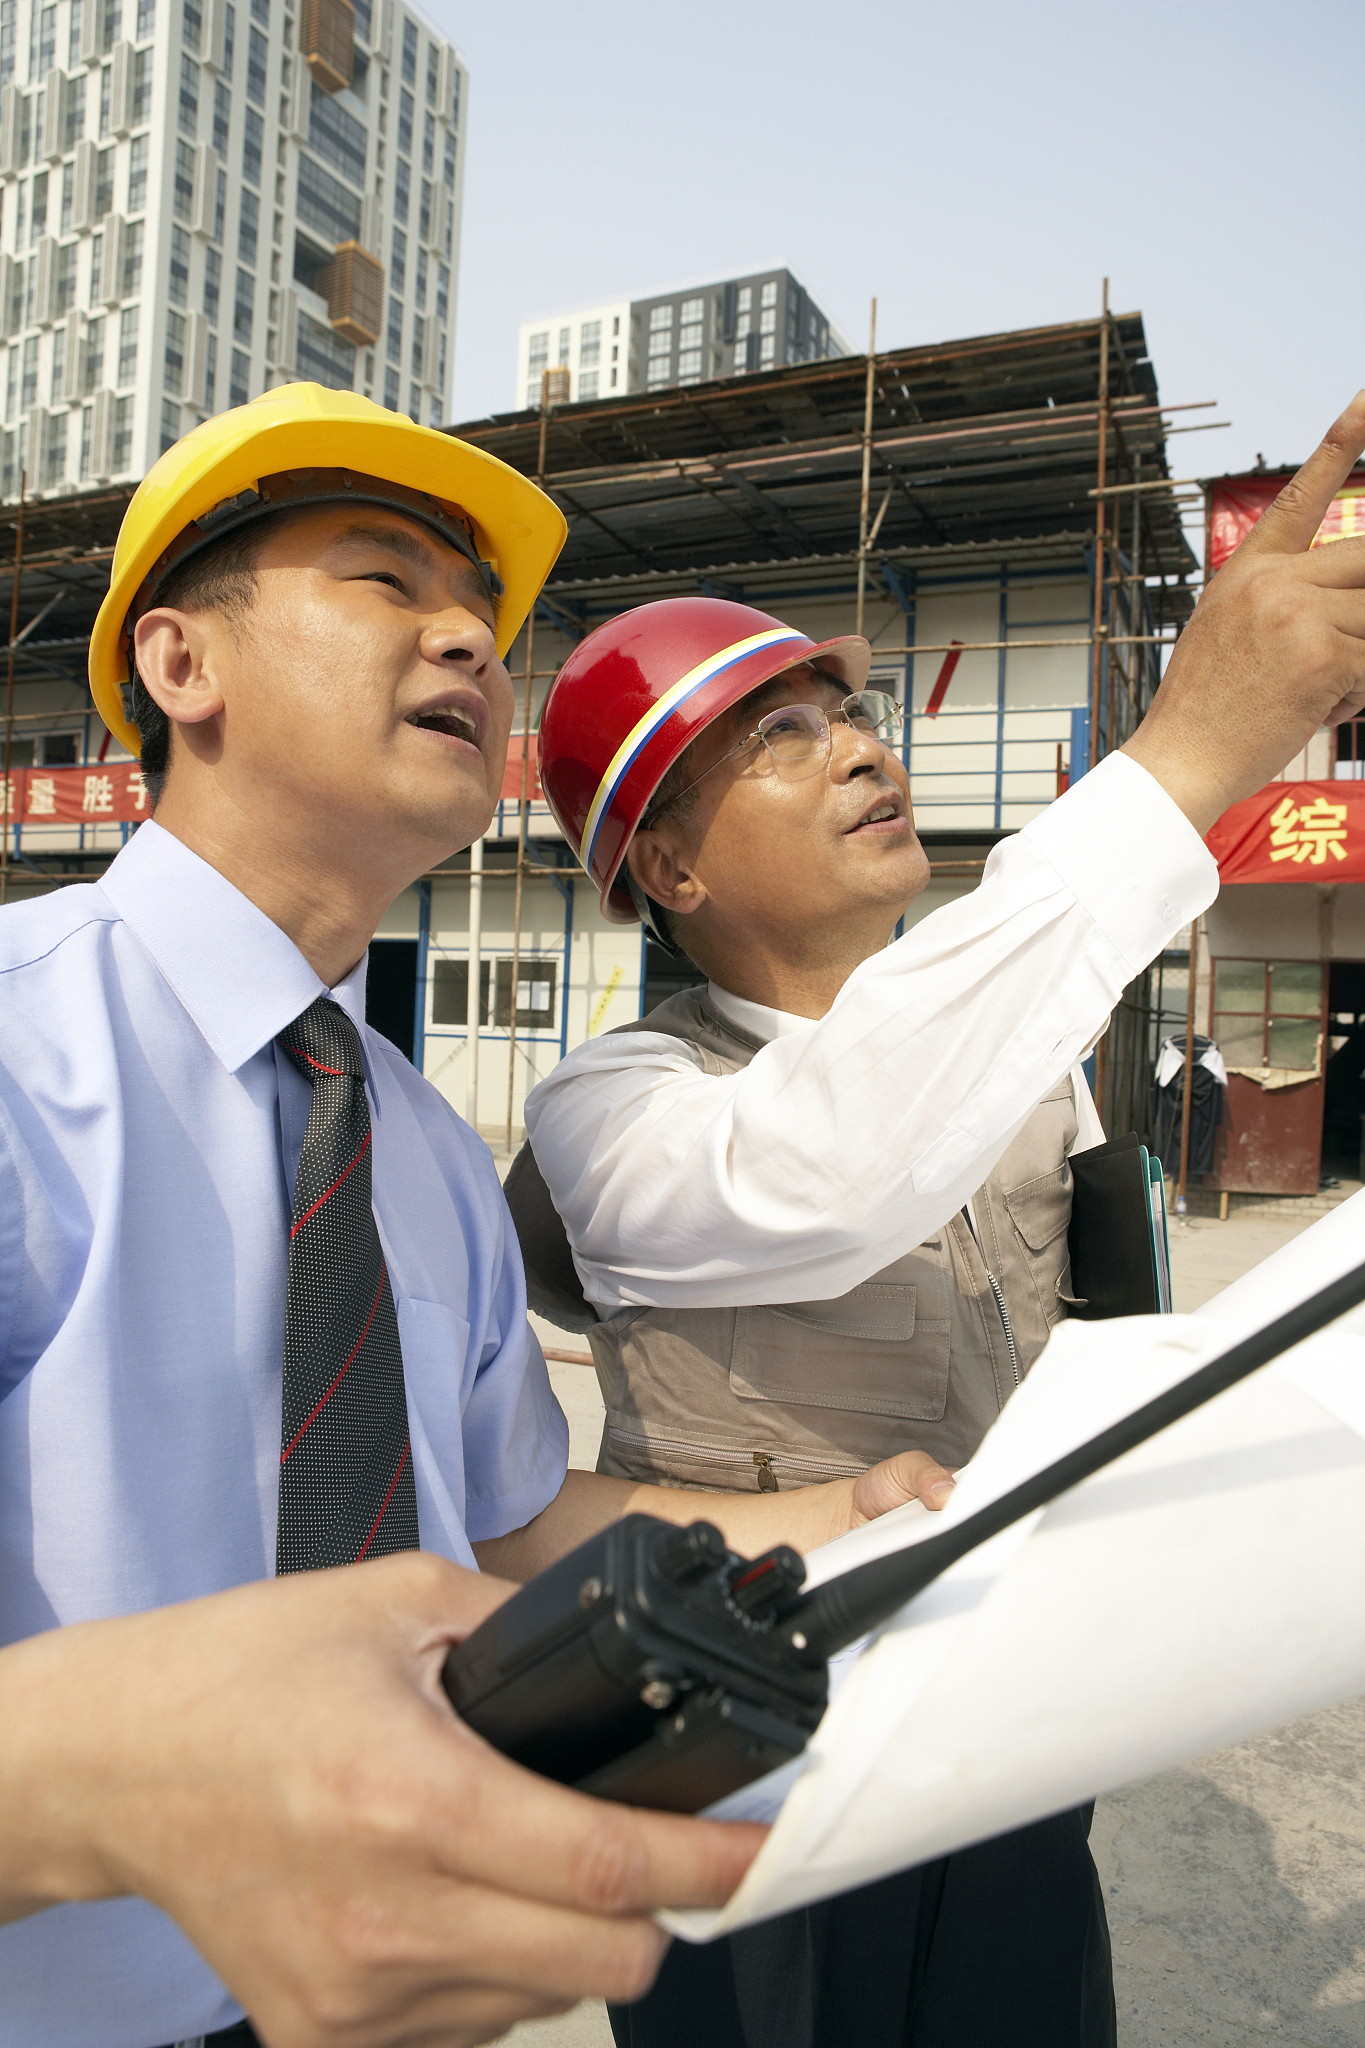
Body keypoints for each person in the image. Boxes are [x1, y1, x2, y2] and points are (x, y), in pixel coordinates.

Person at [0, 384, 958, 2048]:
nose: (465, 639)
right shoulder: (20, 1056)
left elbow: (501, 1521)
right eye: (386, 581)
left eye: (484, 620)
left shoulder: (419, 1145)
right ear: (182, 666)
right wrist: (114, 1781)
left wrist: (839, 1510)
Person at [517, 395, 1365, 2047]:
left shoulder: (1038, 1074)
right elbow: (826, 1174)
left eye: (851, 708)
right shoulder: (607, 1113)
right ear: (667, 869)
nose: (859, 744)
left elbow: (1117, 1353)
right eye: (776, 735)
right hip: (746, 1754)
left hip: (1002, 1732)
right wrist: (1191, 748)